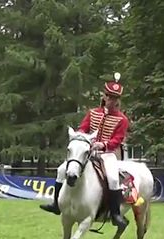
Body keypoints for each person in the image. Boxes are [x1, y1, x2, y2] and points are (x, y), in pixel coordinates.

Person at [40, 73, 130, 227]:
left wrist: (103, 145)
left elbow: (117, 139)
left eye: (115, 98)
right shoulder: (93, 113)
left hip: (107, 154)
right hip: (87, 152)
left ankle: (115, 214)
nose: (111, 100)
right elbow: (83, 128)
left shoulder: (122, 119)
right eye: (109, 96)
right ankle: (56, 204)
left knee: (114, 179)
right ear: (104, 96)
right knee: (62, 170)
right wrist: (84, 140)